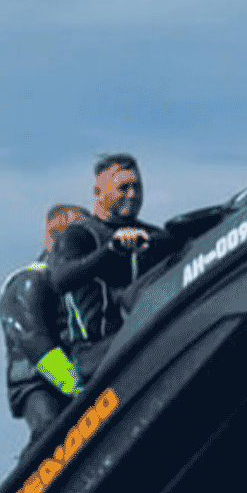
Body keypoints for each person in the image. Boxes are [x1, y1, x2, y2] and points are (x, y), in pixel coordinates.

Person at [44, 151, 166, 375]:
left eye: (137, 187)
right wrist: (111, 251)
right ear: (98, 193)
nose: (132, 195)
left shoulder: (153, 235)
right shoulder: (79, 235)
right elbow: (60, 279)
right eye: (123, 188)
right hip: (94, 354)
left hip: (143, 337)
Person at [0, 203, 89, 441]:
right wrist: (76, 387)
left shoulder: (75, 283)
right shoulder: (30, 281)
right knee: (50, 429)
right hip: (37, 383)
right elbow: (33, 339)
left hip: (75, 374)